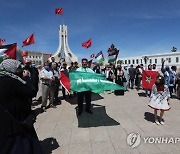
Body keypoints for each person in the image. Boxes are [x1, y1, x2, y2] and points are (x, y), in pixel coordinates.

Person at [0, 59, 42, 153]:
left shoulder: (4, 79)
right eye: (18, 68)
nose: (21, 70)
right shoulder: (13, 81)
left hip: (6, 121)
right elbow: (31, 92)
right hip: (16, 121)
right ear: (12, 69)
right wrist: (27, 78)